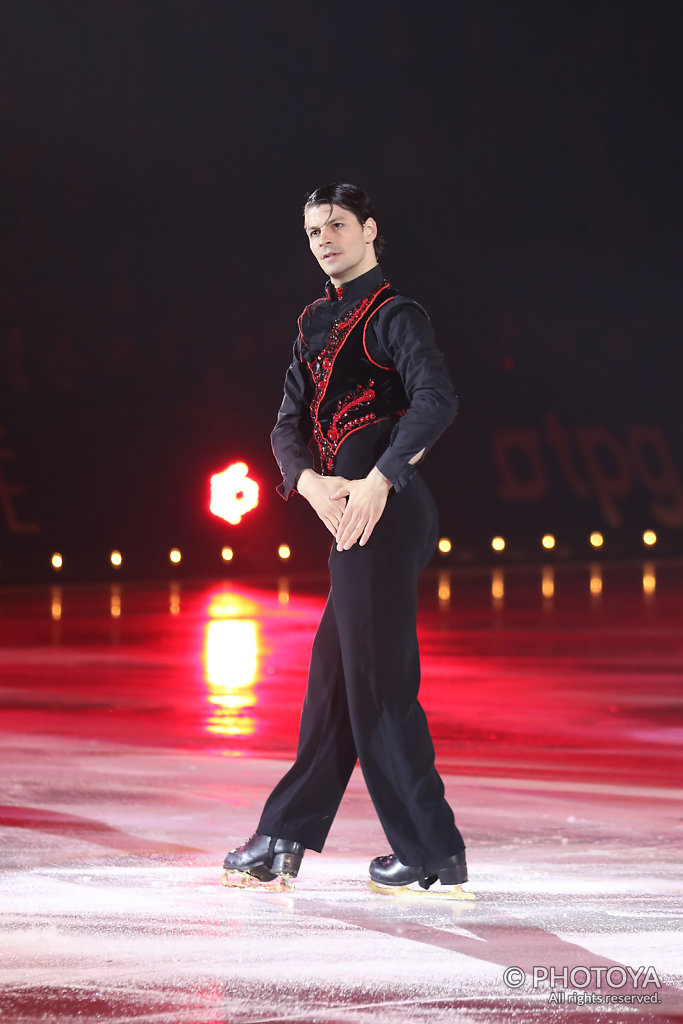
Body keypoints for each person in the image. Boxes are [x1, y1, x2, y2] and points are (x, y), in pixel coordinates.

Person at [222, 182, 469, 893]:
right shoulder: (311, 325)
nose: (323, 239)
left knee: (377, 688)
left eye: (335, 225)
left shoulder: (396, 315)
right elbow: (285, 425)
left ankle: (430, 848)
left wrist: (379, 479)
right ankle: (282, 837)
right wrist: (305, 483)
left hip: (384, 515)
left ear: (368, 230)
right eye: (311, 232)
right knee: (333, 684)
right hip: (349, 518)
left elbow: (435, 399)